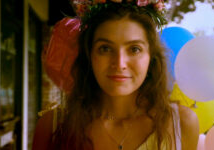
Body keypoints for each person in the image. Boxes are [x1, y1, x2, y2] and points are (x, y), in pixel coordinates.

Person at [33, 0, 199, 150]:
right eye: (105, 48)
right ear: (89, 56)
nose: (120, 63)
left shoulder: (182, 124)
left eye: (134, 49)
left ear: (152, 58)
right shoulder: (53, 126)